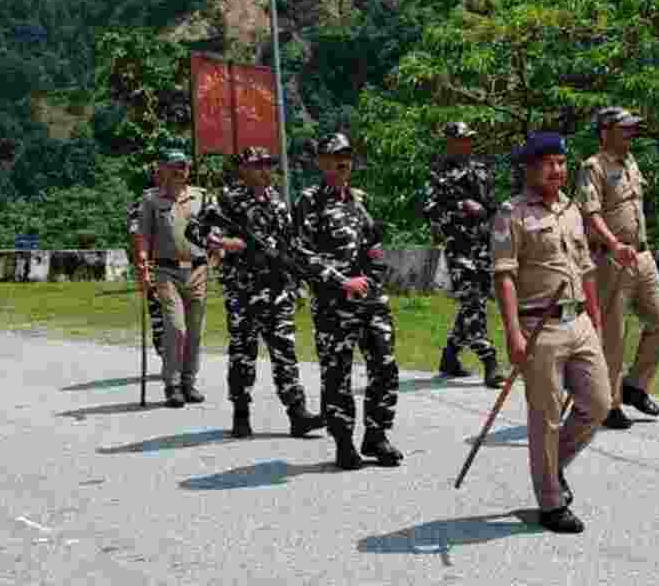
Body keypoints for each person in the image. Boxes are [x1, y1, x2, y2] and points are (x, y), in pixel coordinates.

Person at [492, 131, 611, 534]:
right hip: (536, 323)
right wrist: (513, 335)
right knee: (546, 416)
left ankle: (551, 463)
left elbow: (587, 268)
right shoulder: (513, 212)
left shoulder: (572, 210)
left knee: (598, 403)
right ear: (530, 168)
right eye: (548, 164)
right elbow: (504, 276)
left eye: (561, 163)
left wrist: (595, 316)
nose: (557, 170)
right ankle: (550, 502)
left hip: (577, 321)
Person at [187, 145, 326, 439]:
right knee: (243, 354)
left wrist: (297, 281)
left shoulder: (276, 200)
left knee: (285, 352)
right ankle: (241, 412)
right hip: (243, 291)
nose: (266, 171)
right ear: (243, 169)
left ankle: (297, 412)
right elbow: (195, 230)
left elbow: (288, 243)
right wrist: (223, 243)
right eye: (259, 165)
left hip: (277, 289)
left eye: (269, 164)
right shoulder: (226, 200)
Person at [293, 133, 403, 470]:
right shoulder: (309, 201)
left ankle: (377, 435)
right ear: (321, 162)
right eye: (335, 156)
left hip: (370, 301)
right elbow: (299, 253)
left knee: (385, 366)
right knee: (337, 373)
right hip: (334, 305)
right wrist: (342, 281)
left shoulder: (358, 201)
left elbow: (374, 247)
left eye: (347, 157)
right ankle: (344, 442)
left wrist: (372, 276)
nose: (343, 162)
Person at [574, 107, 659, 431]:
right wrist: (615, 243)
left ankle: (635, 386)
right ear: (605, 131)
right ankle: (609, 404)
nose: (632, 133)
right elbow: (591, 214)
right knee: (613, 335)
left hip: (641, 255)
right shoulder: (593, 167)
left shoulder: (631, 162)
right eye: (625, 128)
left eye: (633, 128)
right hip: (610, 258)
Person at [423, 121, 504, 388]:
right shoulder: (438, 174)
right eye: (461, 140)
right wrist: (460, 205)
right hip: (459, 247)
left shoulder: (481, 169)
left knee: (475, 301)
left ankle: (449, 357)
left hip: (483, 245)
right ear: (450, 142)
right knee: (473, 304)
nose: (467, 144)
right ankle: (490, 361)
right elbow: (430, 210)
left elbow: (490, 205)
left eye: (469, 139)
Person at [137, 149, 213, 408]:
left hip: (198, 270)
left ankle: (189, 382)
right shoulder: (151, 200)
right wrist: (143, 266)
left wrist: (217, 256)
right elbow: (144, 236)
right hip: (166, 270)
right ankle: (172, 383)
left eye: (184, 166)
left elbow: (213, 230)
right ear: (165, 170)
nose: (181, 170)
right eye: (175, 166)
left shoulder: (201, 198)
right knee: (175, 326)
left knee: (195, 330)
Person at [127, 168, 162, 360]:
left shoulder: (176, 198)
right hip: (153, 264)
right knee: (159, 313)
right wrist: (142, 266)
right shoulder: (141, 203)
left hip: (180, 265)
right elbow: (135, 235)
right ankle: (167, 355)